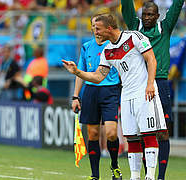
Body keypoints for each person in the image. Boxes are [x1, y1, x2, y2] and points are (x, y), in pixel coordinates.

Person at [62, 14, 167, 180]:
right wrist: (78, 72)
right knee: (131, 137)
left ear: (108, 28)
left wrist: (150, 84)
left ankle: (151, 177)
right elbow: (98, 77)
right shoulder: (107, 51)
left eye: (97, 28)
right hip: (126, 95)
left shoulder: (134, 37)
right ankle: (134, 176)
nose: (94, 31)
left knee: (148, 134)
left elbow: (151, 60)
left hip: (144, 91)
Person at [121, 1, 185, 179]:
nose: (147, 18)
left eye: (151, 15)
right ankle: (146, 173)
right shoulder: (135, 27)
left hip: (161, 83)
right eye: (144, 14)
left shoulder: (165, 27)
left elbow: (177, 6)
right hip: (140, 85)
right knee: (142, 132)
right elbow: (126, 6)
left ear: (157, 16)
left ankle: (161, 176)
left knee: (163, 131)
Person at [71, 15, 122, 180]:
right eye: (92, 26)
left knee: (111, 133)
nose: (95, 29)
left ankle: (114, 166)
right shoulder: (87, 47)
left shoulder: (113, 45)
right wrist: (75, 96)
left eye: (97, 26)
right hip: (90, 92)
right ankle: (95, 175)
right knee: (92, 134)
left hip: (110, 91)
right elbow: (80, 72)